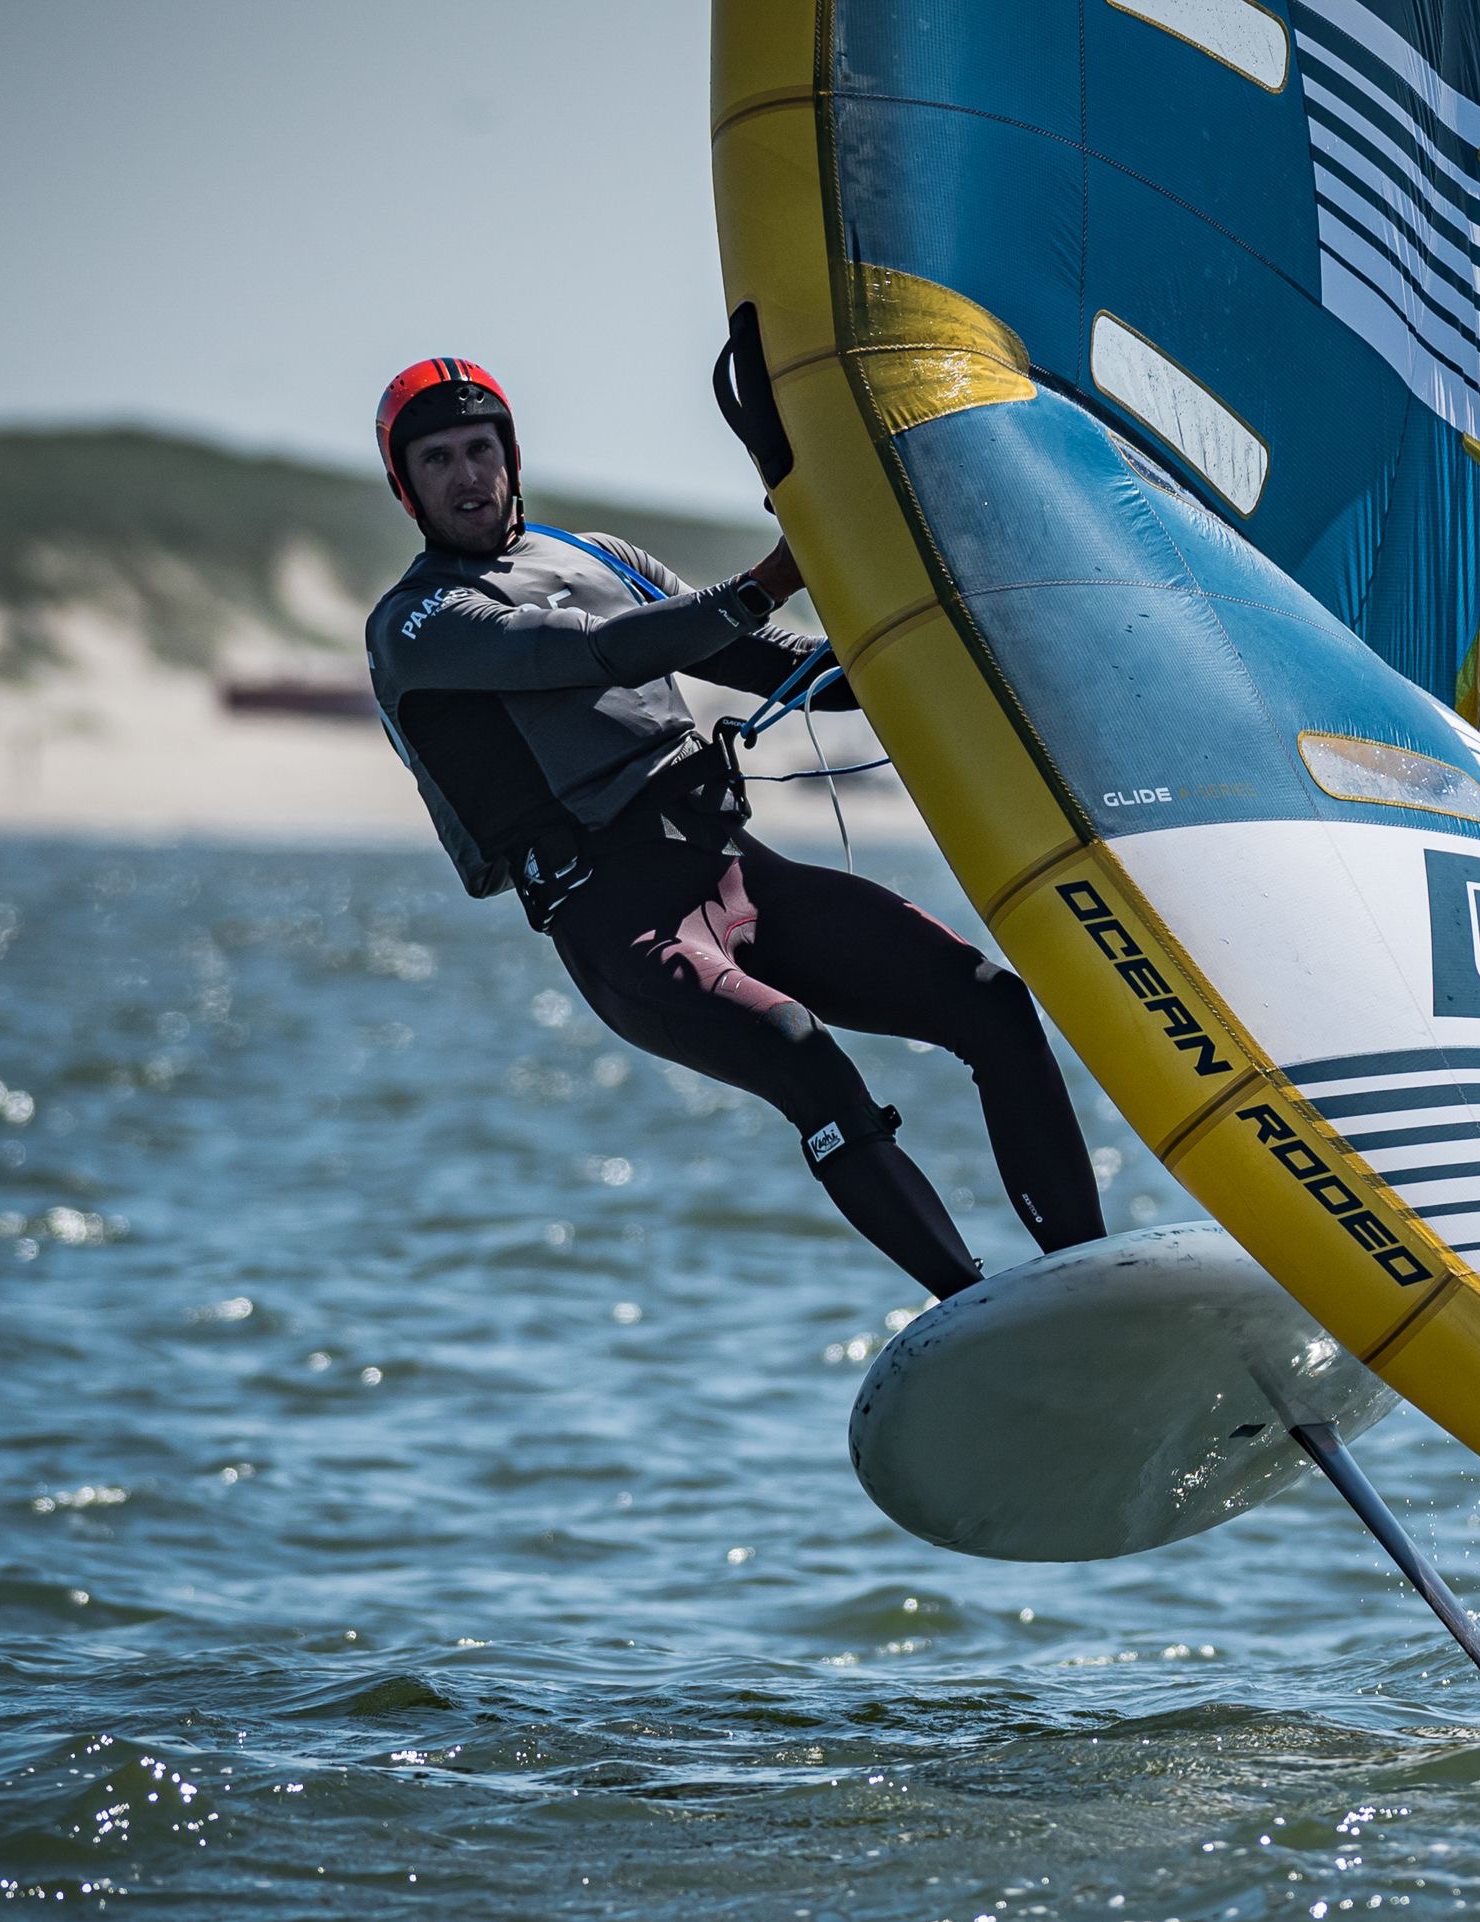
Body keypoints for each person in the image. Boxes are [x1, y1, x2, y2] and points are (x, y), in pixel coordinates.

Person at [361, 356, 1104, 1298]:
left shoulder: (600, 555)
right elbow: (591, 654)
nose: (467, 476)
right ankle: (975, 1308)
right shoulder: (419, 621)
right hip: (621, 920)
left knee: (990, 1002)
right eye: (437, 461)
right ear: (406, 486)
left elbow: (791, 669)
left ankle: (1085, 1278)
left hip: (735, 870)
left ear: (511, 456)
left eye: (480, 448)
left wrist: (954, 635)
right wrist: (766, 578)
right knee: (801, 1053)